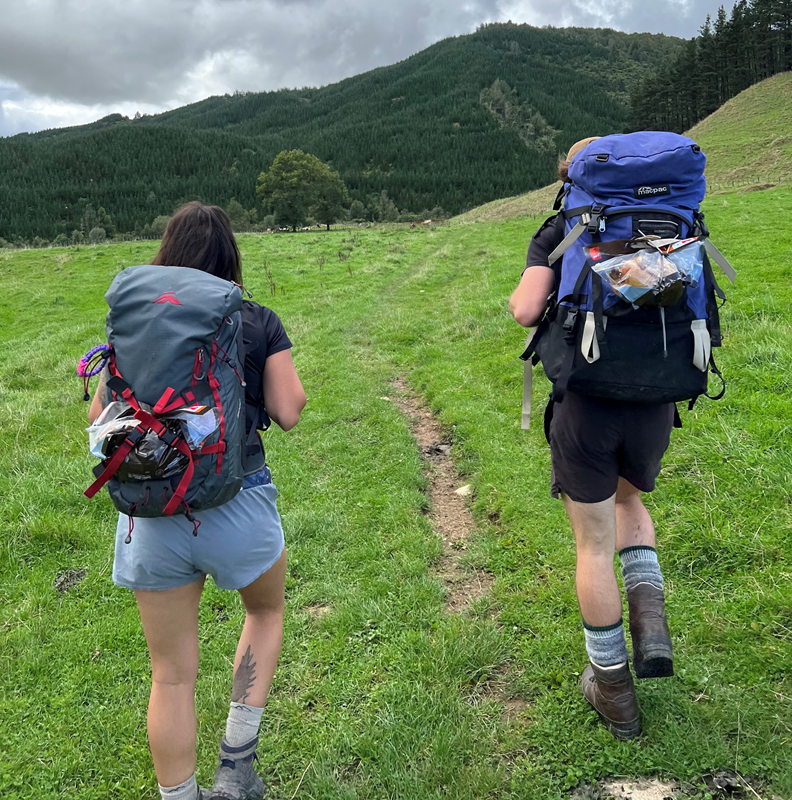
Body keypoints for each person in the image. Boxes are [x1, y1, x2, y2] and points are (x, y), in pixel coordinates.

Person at [88, 202, 307, 799]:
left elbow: (98, 416)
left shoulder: (133, 322)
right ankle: (236, 769)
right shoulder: (255, 317)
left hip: (151, 512)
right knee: (263, 614)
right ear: (229, 258)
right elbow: (288, 411)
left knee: (172, 676)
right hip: (238, 499)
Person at [509, 139, 675, 740]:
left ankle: (614, 691)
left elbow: (525, 310)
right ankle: (651, 628)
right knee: (632, 502)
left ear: (569, 177)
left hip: (588, 402)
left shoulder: (565, 225)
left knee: (593, 545)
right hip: (657, 396)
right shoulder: (671, 215)